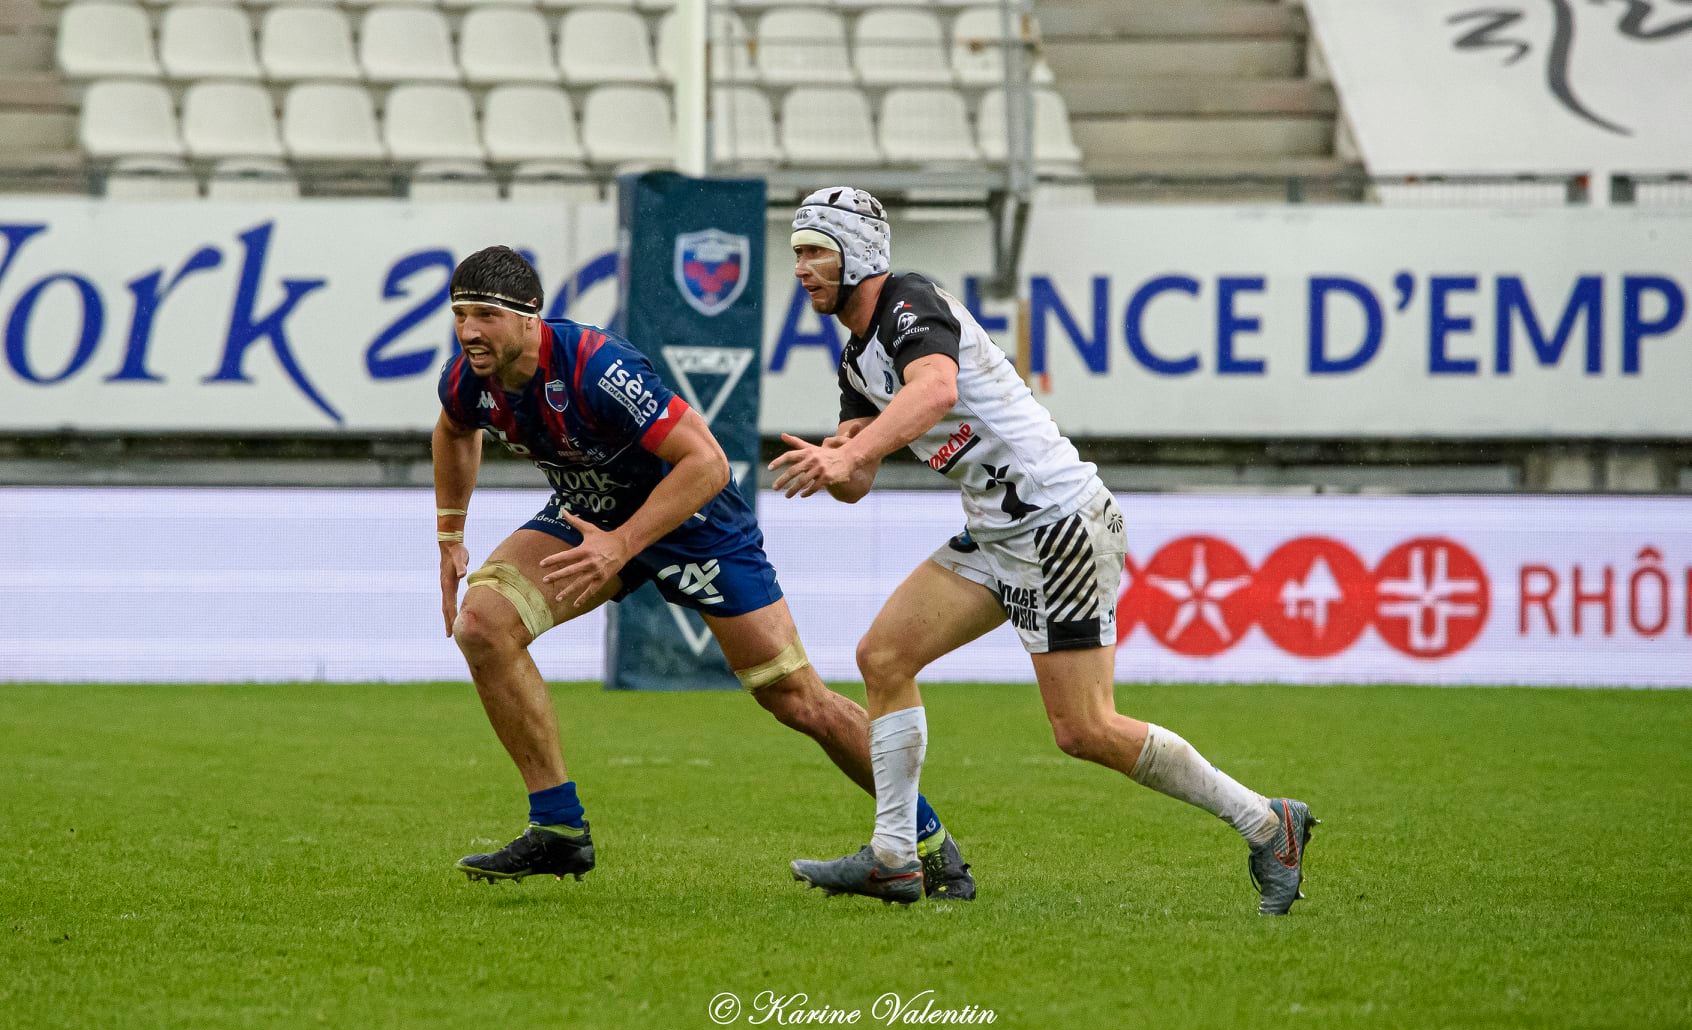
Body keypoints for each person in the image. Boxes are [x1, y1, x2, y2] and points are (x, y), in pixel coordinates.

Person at [773, 188, 1317, 914]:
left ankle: (1267, 822)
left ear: (859, 253)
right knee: (884, 657)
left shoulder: (910, 303)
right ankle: (896, 857)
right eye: (798, 253)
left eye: (815, 251)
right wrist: (840, 458)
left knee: (1084, 728)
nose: (802, 268)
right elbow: (859, 481)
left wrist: (858, 447)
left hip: (1058, 521)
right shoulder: (854, 361)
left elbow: (933, 392)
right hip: (1000, 532)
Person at [431, 246, 974, 898]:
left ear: (529, 318)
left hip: (695, 524)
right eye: (461, 314)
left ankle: (930, 844)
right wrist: (450, 536)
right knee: (483, 626)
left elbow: (710, 463)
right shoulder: (469, 376)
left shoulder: (596, 366)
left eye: (484, 314)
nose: (468, 331)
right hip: (591, 516)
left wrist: (621, 545)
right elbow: (454, 429)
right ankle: (557, 827)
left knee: (798, 699)